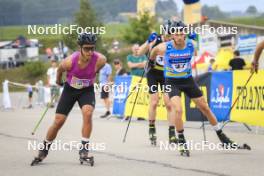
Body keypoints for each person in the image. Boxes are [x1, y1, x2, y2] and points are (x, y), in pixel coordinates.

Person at [150, 21, 238, 155]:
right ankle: (182, 141)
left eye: (181, 34)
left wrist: (195, 38)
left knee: (205, 108)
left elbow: (197, 52)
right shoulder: (164, 47)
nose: (179, 37)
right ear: (172, 35)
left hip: (188, 80)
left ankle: (221, 136)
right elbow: (153, 51)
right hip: (171, 82)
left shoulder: (191, 44)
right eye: (176, 34)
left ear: (184, 34)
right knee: (178, 110)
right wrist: (151, 62)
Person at [31, 33, 106, 165]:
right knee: (59, 121)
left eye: (92, 48)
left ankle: (84, 150)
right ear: (80, 48)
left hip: (86, 90)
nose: (90, 52)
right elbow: (59, 71)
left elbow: (96, 70)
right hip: (70, 90)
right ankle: (44, 149)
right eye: (87, 48)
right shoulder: (69, 61)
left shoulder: (100, 59)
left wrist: (91, 76)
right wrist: (59, 81)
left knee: (88, 113)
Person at [138, 21, 178, 145]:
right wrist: (148, 42)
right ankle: (151, 128)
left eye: (172, 35)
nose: (169, 37)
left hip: (166, 75)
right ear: (163, 32)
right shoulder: (156, 39)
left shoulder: (174, 42)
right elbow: (139, 52)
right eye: (168, 34)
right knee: (154, 102)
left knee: (169, 104)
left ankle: (172, 133)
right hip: (153, 73)